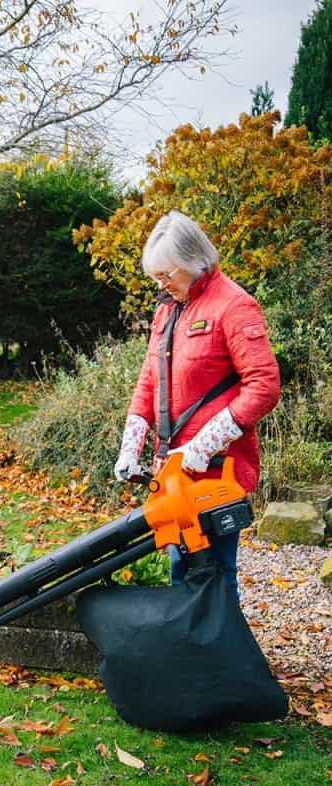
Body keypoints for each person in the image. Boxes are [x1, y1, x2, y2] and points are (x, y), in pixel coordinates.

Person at [113, 210, 280, 599]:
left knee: (217, 576)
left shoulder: (235, 306)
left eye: (167, 274)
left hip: (217, 473)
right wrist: (131, 444)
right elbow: (148, 381)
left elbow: (264, 386)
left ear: (193, 261)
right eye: (157, 276)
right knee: (180, 571)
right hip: (171, 475)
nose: (162, 283)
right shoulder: (168, 309)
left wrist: (205, 444)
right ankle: (191, 655)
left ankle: (226, 659)